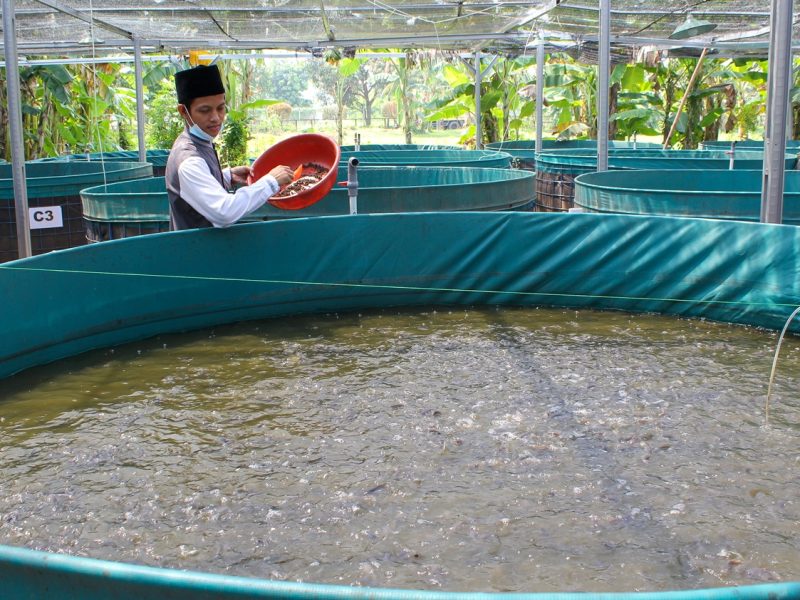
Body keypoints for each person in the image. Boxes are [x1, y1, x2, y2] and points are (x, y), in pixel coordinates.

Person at [165, 64, 293, 231]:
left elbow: (199, 188)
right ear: (183, 111)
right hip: (195, 253)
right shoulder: (188, 160)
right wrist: (270, 182)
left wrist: (227, 176)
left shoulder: (200, 141)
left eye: (221, 108)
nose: (216, 118)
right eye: (205, 110)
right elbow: (224, 212)